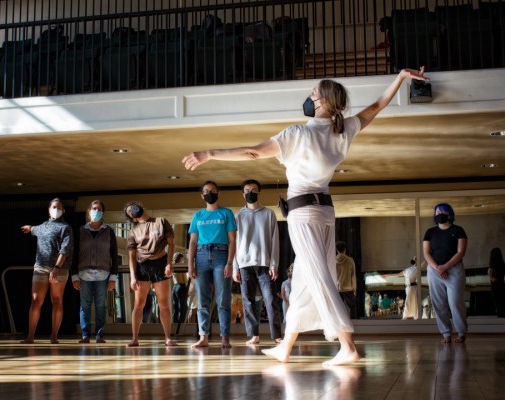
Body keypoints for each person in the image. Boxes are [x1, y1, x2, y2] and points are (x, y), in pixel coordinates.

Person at [183, 67, 428, 365]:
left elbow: (253, 153)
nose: (309, 96)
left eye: (314, 93)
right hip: (325, 211)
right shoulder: (343, 129)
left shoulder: (297, 133)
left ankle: (347, 345)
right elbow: (377, 106)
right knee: (302, 278)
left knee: (319, 277)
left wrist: (209, 153)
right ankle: (286, 345)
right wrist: (401, 78)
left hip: (303, 214)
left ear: (324, 101)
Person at [187, 181, 237, 349]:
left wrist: (230, 262)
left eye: (213, 191)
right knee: (203, 300)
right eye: (206, 191)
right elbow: (192, 242)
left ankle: (225, 337)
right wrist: (190, 265)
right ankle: (203, 337)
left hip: (221, 255)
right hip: (201, 256)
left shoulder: (226, 213)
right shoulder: (197, 216)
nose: (210, 193)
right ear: (202, 195)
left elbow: (232, 240)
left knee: (223, 299)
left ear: (218, 193)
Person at [233, 179, 282, 345]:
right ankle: (254, 335)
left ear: (259, 192)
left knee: (270, 299)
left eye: (253, 190)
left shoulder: (269, 214)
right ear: (243, 193)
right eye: (247, 190)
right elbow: (234, 243)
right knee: (248, 300)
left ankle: (277, 335)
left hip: (265, 264)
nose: (250, 193)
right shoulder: (238, 216)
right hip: (244, 265)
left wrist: (274, 264)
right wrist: (235, 267)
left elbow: (275, 241)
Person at [20, 198, 73, 344]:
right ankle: (30, 336)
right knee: (36, 300)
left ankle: (54, 336)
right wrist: (29, 228)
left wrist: (56, 267)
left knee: (56, 300)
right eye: (54, 207)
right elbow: (34, 229)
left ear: (63, 210)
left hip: (59, 269)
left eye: (59, 207)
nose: (56, 209)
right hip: (40, 267)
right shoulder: (42, 226)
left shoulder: (65, 227)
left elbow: (65, 250)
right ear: (49, 209)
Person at [124, 201, 176, 347]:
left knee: (164, 304)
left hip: (160, 264)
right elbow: (131, 256)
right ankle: (134, 338)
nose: (133, 209)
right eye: (129, 211)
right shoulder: (133, 231)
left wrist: (169, 263)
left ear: (142, 207)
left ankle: (167, 338)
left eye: (133, 207)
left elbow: (171, 243)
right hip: (142, 266)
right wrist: (133, 276)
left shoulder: (161, 221)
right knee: (139, 304)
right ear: (132, 218)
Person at [71, 200, 118, 343]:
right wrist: (74, 275)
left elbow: (114, 255)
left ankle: (99, 335)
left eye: (98, 209)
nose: (96, 211)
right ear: (88, 211)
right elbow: (74, 254)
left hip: (103, 274)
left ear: (102, 212)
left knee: (100, 305)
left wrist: (113, 277)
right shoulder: (80, 230)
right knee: (84, 305)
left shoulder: (109, 231)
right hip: (83, 274)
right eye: (93, 208)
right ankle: (85, 334)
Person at [423, 203, 468, 344]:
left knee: (455, 302)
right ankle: (446, 334)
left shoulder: (459, 230)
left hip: (454, 270)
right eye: (437, 212)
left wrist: (446, 266)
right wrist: (438, 268)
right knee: (438, 303)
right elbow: (426, 253)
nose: (440, 214)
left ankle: (461, 332)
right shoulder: (430, 232)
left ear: (450, 214)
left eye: (443, 211)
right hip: (435, 271)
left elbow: (461, 252)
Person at [336, 241, 357, 319]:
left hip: (338, 288)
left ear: (336, 250)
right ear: (345, 249)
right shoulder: (350, 260)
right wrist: (354, 288)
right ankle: (354, 324)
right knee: (352, 307)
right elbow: (353, 275)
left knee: (338, 308)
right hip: (348, 287)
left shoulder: (333, 261)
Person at [487, 247, 505, 317]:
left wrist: (492, 278)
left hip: (495, 283)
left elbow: (489, 271)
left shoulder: (492, 262)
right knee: (502, 298)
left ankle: (499, 312)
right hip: (501, 282)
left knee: (497, 298)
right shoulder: (502, 263)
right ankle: (502, 312)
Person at [172, 252, 189, 323]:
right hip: (181, 286)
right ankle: (181, 323)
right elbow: (184, 279)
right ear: (180, 258)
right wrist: (187, 289)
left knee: (175, 307)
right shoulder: (181, 266)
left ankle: (175, 323)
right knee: (182, 307)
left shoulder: (173, 266)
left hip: (175, 287)